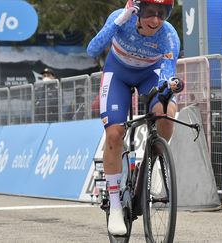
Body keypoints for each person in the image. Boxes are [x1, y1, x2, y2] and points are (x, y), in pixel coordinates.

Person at [87, 0, 183, 236]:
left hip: (149, 75)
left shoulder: (169, 35)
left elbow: (167, 72)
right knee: (114, 134)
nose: (156, 20)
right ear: (138, 11)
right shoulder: (122, 18)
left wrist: (168, 87)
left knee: (166, 112)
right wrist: (119, 21)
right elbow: (92, 50)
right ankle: (116, 205)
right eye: (150, 13)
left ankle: (156, 160)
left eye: (162, 14)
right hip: (117, 74)